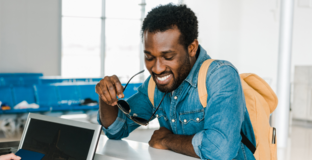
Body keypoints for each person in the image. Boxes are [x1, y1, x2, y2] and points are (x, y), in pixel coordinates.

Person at [95, 4, 256, 160]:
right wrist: (106, 97)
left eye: (168, 57)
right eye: (149, 57)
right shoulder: (154, 86)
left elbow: (220, 150)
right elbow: (116, 130)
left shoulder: (221, 75)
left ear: (192, 48)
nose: (157, 69)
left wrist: (167, 140)